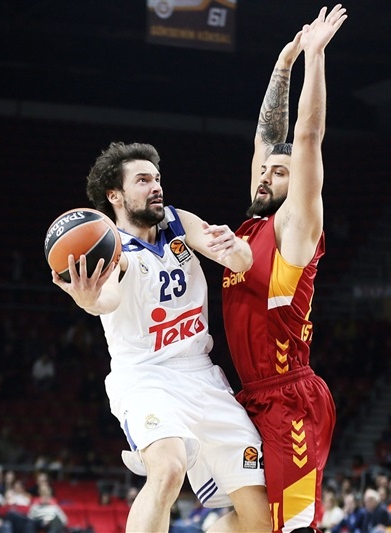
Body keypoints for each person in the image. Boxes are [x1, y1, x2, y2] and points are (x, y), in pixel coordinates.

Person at [51, 141, 270, 533]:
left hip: (202, 375)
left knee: (260, 519)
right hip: (146, 377)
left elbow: (239, 261)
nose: (155, 186)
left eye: (157, 178)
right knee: (168, 468)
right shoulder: (112, 248)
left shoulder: (177, 222)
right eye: (143, 180)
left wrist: (236, 248)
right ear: (114, 194)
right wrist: (89, 300)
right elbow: (108, 298)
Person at [220, 5, 347, 531]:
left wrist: (314, 58)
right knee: (238, 523)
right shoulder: (249, 226)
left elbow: (308, 137)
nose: (266, 175)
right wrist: (281, 64)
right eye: (265, 170)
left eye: (280, 171)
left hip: (290, 400)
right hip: (249, 397)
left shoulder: (294, 225)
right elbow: (264, 139)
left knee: (292, 528)